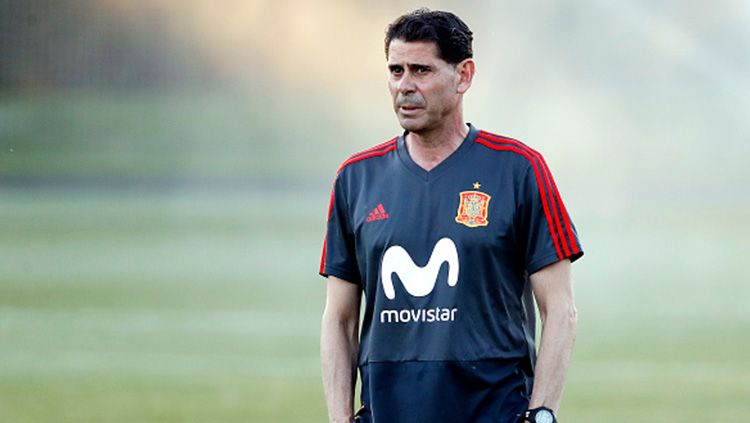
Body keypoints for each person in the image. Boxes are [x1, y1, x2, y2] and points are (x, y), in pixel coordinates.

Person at [319, 8, 583, 423]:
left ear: (463, 75)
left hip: (494, 412)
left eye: (421, 70)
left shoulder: (518, 169)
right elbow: (339, 318)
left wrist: (542, 414)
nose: (404, 86)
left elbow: (560, 309)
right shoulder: (356, 178)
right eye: (395, 70)